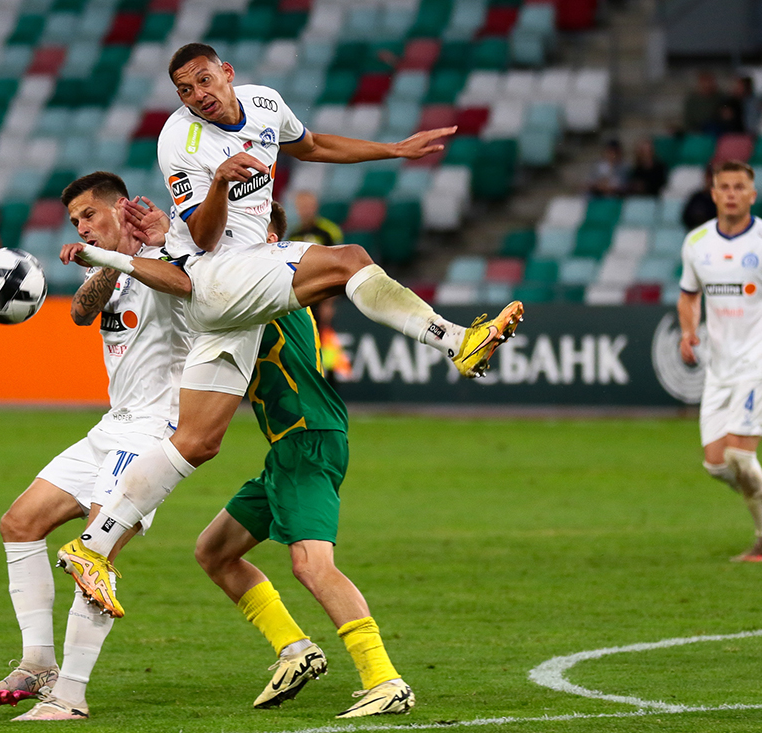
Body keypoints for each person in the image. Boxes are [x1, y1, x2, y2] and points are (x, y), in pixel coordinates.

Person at [57, 42, 520, 644]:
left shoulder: (266, 105)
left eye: (203, 81)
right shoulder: (180, 140)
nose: (197, 96)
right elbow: (203, 234)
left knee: (196, 441)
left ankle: (95, 545)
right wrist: (220, 183)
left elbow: (317, 146)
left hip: (230, 306)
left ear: (227, 73)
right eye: (185, 90)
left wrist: (393, 150)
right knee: (348, 259)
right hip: (222, 275)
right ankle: (456, 340)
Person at [0, 171, 192, 721]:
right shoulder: (113, 270)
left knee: (93, 558)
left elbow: (185, 286)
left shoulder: (168, 252)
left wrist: (146, 245)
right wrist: (105, 257)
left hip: (152, 434)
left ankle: (69, 696)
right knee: (18, 524)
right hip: (112, 427)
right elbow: (80, 312)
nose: (83, 228)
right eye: (75, 222)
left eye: (90, 216)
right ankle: (38, 661)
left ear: (121, 208)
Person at [194, 201, 413, 718]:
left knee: (312, 565)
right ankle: (296, 650)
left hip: (307, 439)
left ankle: (383, 678)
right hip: (290, 447)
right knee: (215, 551)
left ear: (271, 238)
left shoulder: (273, 288)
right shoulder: (246, 292)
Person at [678, 159, 762, 562]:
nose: (731, 194)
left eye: (738, 187)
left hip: (756, 362)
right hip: (719, 365)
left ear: (752, 194)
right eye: (724, 187)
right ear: (713, 194)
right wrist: (689, 330)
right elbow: (689, 294)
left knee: (740, 456)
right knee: (717, 465)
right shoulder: (697, 243)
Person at [290, 191, 349, 383]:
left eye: (308, 205)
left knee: (326, 337)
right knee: (306, 339)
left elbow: (339, 266)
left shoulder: (328, 231)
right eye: (301, 206)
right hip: (304, 298)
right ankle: (310, 381)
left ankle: (331, 380)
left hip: (323, 296)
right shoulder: (294, 234)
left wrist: (329, 302)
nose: (304, 210)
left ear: (315, 206)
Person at [682, 163, 719, 231]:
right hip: (697, 231)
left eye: (713, 177)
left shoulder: (721, 198)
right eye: (709, 177)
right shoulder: (697, 197)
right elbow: (686, 218)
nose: (710, 180)